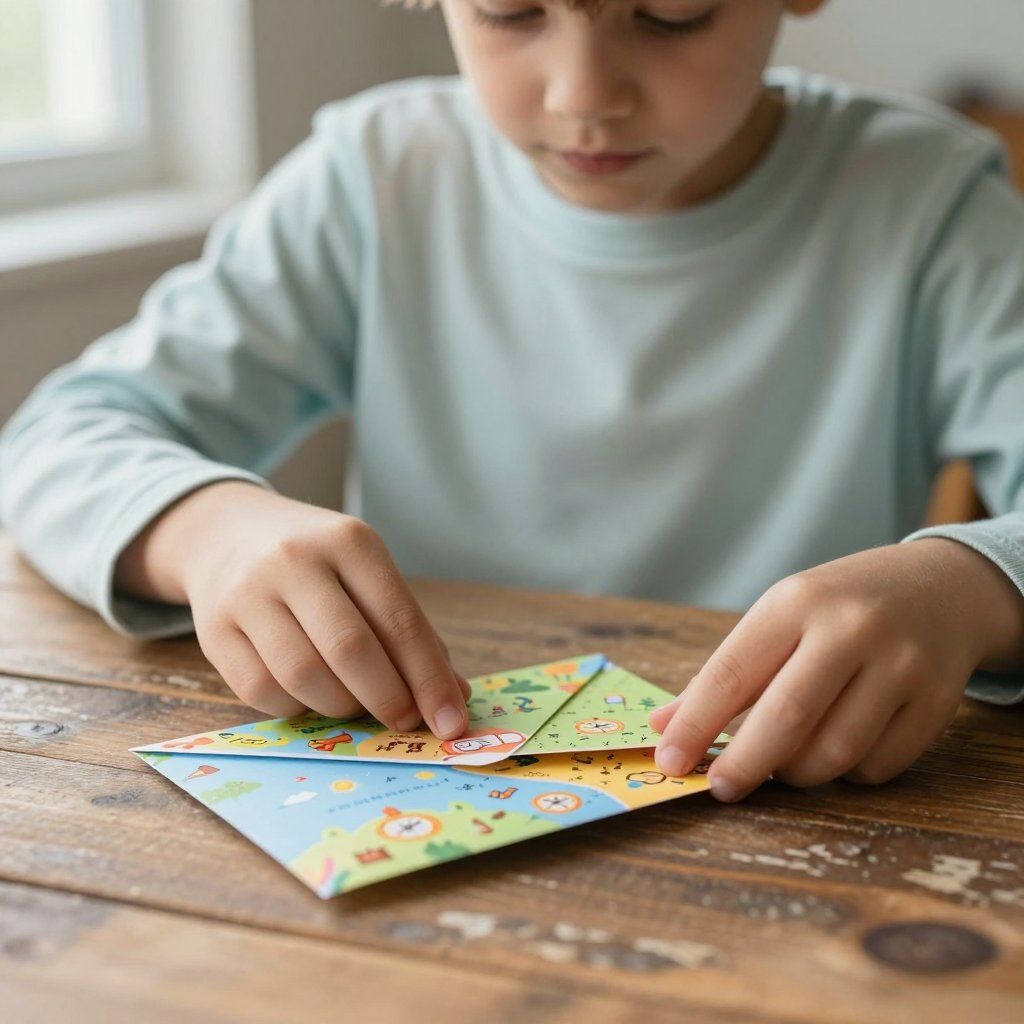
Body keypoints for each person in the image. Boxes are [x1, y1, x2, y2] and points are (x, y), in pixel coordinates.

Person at [3, 0, 1024, 803]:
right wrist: (205, 531)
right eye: (507, 10)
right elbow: (57, 437)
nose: (585, 96)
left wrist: (971, 591)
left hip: (792, 817)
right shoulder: (373, 178)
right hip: (421, 804)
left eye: (671, 15)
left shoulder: (929, 204)